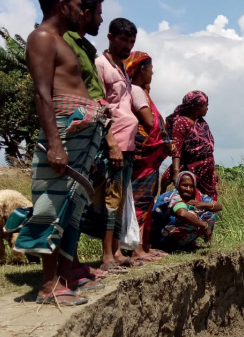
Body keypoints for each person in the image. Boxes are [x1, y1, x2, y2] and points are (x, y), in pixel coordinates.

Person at [16, 0, 109, 306]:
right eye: (78, 2)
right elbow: (43, 93)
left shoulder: (63, 41)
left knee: (72, 209)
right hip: (63, 136)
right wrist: (55, 144)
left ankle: (65, 275)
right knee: (52, 207)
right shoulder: (42, 38)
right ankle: (48, 286)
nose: (82, 9)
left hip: (79, 138)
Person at [61, 0, 110, 283]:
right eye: (99, 13)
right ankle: (68, 266)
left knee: (80, 200)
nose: (101, 20)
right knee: (71, 197)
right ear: (86, 14)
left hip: (91, 130)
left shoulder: (84, 48)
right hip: (76, 130)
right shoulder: (66, 43)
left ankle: (73, 263)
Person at [92, 17, 141, 273]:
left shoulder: (121, 68)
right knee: (110, 199)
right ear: (110, 37)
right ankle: (106, 255)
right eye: (123, 40)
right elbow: (98, 104)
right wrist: (110, 141)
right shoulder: (100, 65)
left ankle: (117, 251)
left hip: (128, 144)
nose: (127, 46)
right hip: (113, 143)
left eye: (131, 42)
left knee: (120, 199)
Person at [125, 51, 171, 261]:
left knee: (146, 200)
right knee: (140, 202)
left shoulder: (138, 91)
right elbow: (151, 124)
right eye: (151, 68)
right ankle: (137, 250)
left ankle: (144, 247)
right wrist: (166, 140)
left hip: (147, 160)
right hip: (142, 159)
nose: (153, 73)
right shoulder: (136, 91)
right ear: (142, 69)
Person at [162, 91, 219, 200]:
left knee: (208, 202)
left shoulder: (201, 123)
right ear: (196, 106)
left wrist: (214, 171)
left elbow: (207, 149)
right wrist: (176, 173)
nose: (207, 108)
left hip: (207, 172)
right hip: (191, 170)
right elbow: (177, 150)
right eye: (205, 105)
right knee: (192, 200)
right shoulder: (181, 122)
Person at [150, 171, 222, 252]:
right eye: (184, 185)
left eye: (191, 186)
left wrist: (202, 204)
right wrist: (204, 225)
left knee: (211, 214)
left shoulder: (197, 195)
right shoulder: (174, 195)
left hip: (173, 230)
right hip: (159, 234)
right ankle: (171, 246)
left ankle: (191, 243)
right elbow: (182, 213)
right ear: (178, 185)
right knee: (191, 216)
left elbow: (219, 206)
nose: (188, 189)